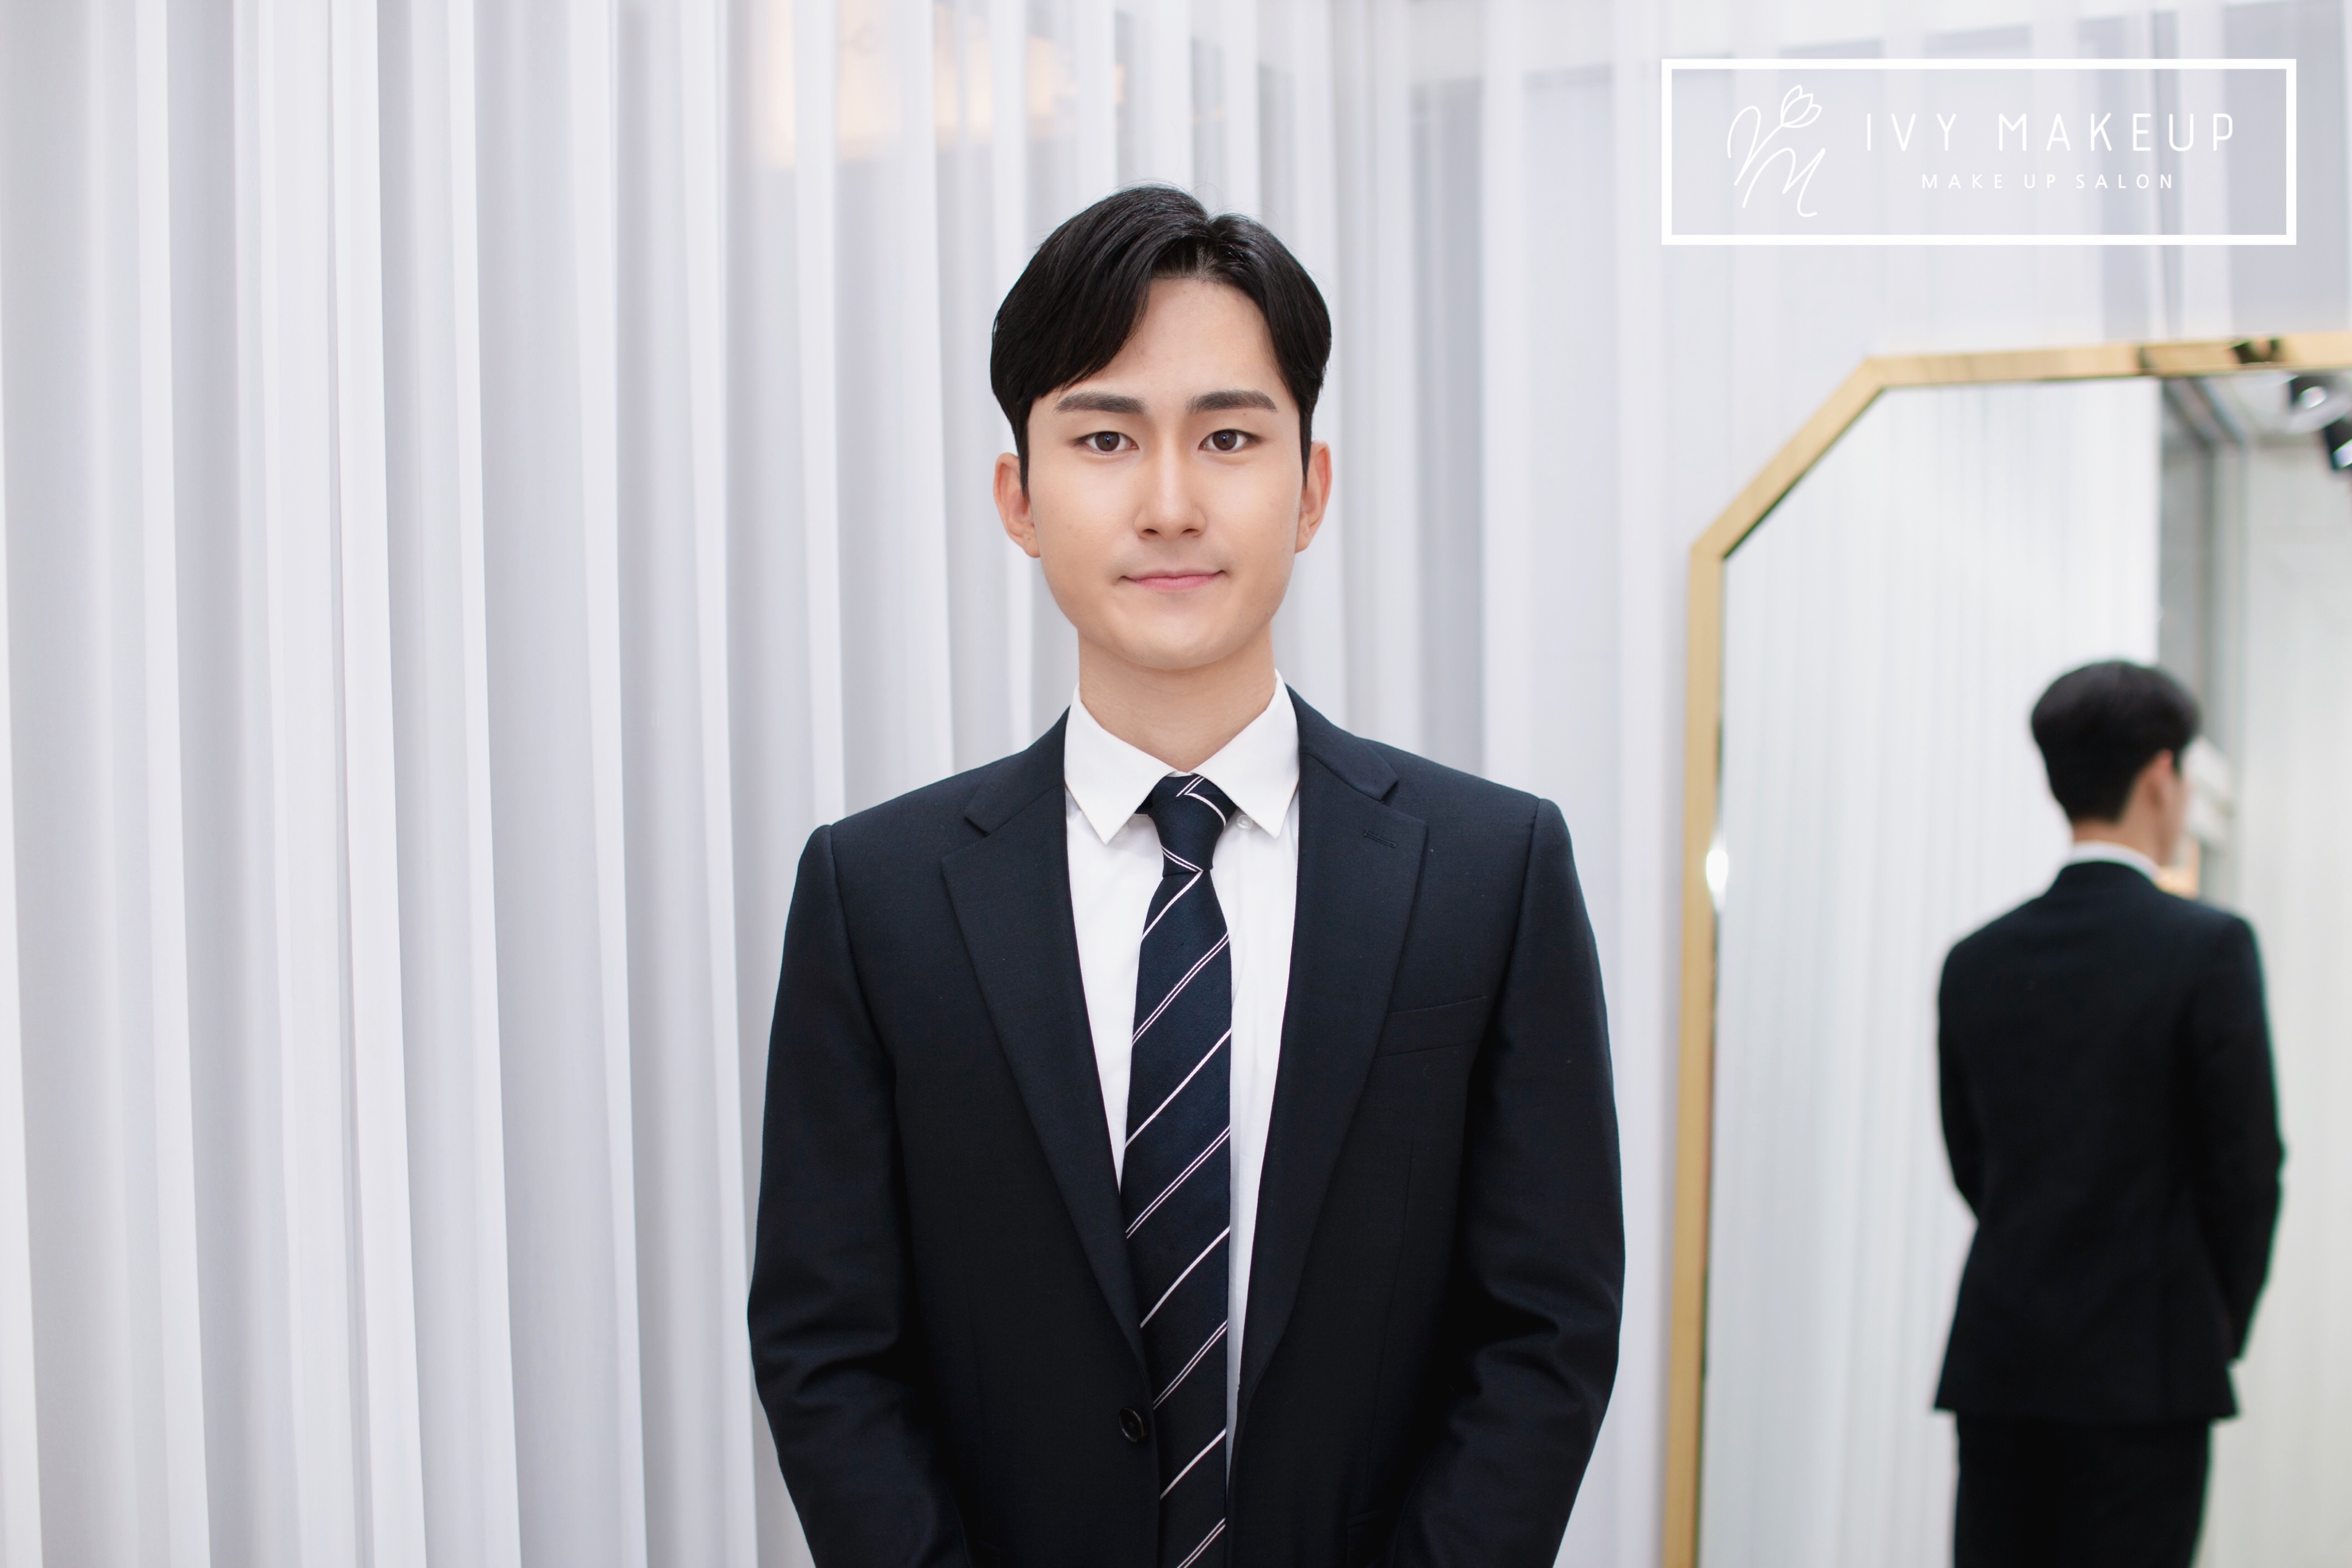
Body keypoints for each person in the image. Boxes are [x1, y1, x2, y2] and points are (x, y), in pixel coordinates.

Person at [746, 185, 1623, 1568]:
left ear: (1310, 487)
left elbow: (1544, 1329)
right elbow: (826, 1346)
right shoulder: (877, 895)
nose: (1167, 503)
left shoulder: (1489, 872)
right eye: (1104, 438)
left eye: (1226, 437)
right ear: (1018, 498)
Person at [1935, 660, 2283, 1568]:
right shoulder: (2209, 949)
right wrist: (2211, 1322)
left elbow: (1974, 1165)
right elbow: (2247, 1170)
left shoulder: (1975, 961)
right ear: (2161, 776)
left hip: (2003, 1368)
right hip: (2150, 1375)